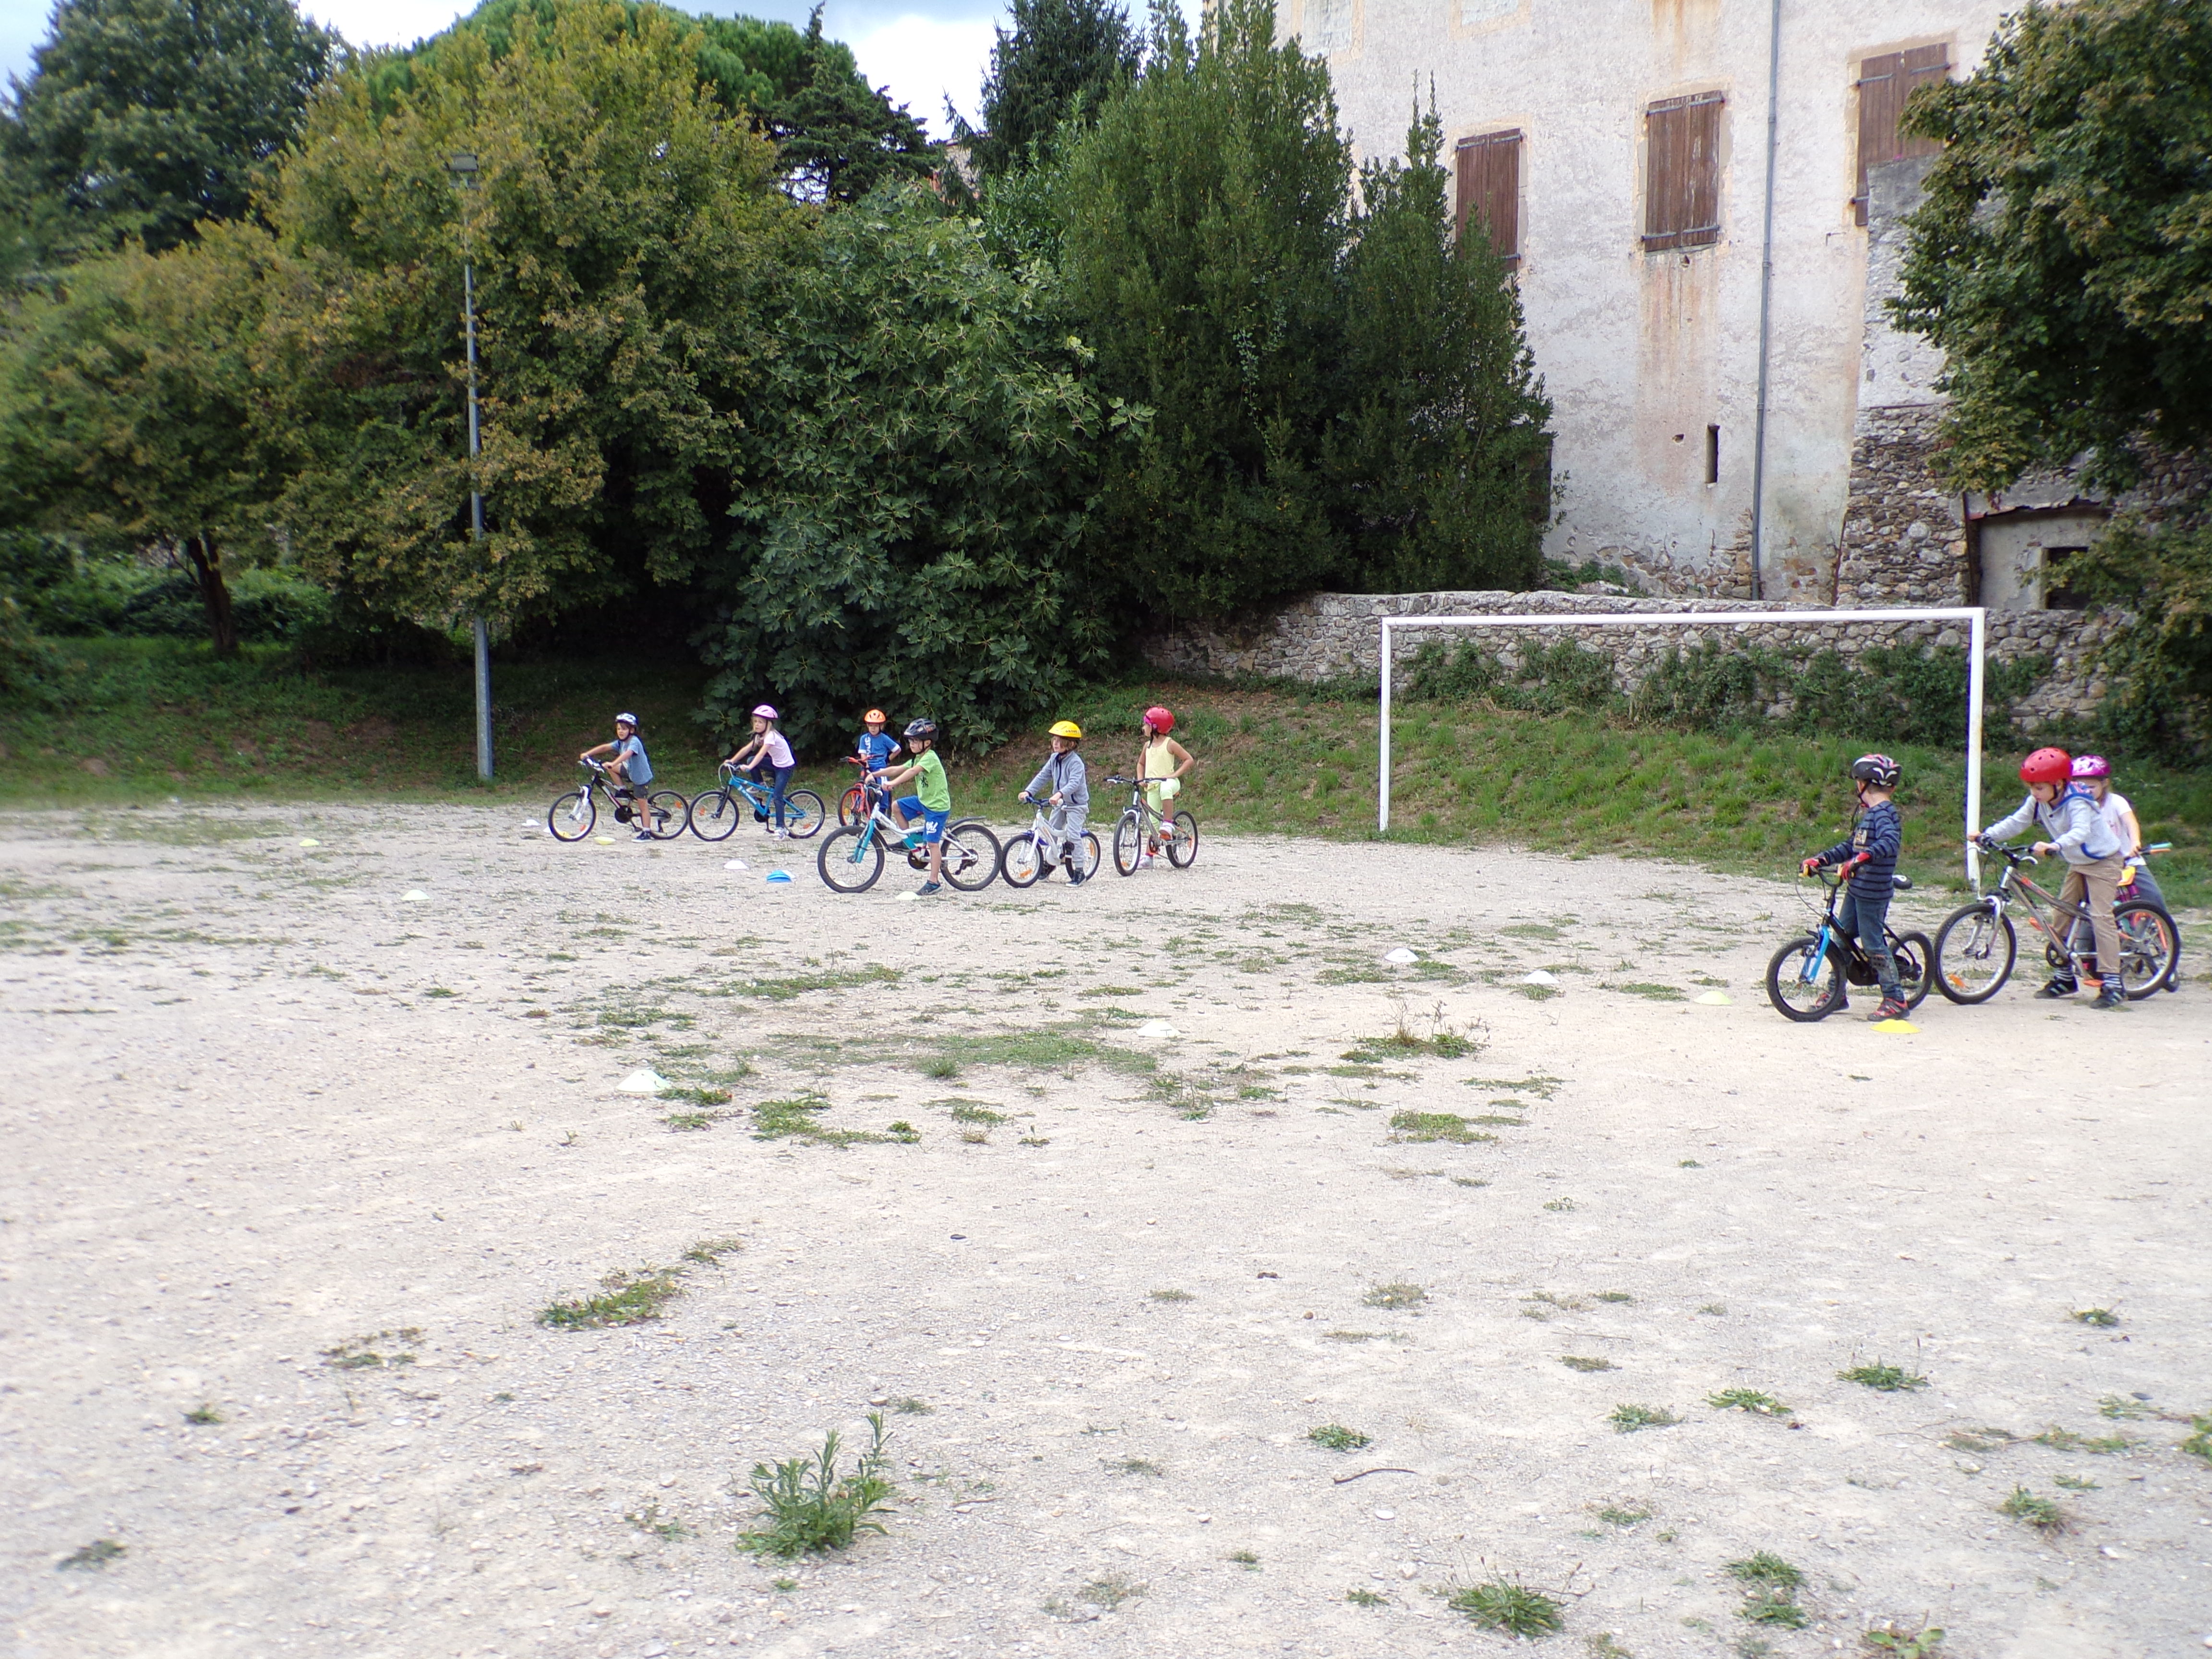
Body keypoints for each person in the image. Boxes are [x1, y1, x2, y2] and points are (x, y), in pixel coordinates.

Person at [1978, 746, 2127, 1009]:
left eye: (2039, 788)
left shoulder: (2078, 801)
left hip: (2104, 862)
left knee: (2100, 917)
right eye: (2032, 788)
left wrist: (2055, 845)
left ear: (2059, 784)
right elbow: (2017, 821)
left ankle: (2113, 982)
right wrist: (1987, 835)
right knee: (2061, 916)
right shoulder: (2039, 800)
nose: (2034, 794)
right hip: (2078, 863)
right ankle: (2065, 976)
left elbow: (2080, 831)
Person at [1799, 753, 1909, 1022]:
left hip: (1873, 893)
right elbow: (1851, 846)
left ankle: (1896, 999)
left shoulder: (1884, 814)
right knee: (1842, 941)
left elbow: (1889, 842)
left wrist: (1861, 858)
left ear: (1863, 784)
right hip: (1857, 889)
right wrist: (1821, 859)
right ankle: (1837, 994)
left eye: (1856, 782)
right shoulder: (1869, 816)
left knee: (1873, 944)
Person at [2070, 754, 2165, 912]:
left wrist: (2135, 842)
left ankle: (2166, 931)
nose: (2087, 791)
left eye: (2092, 787)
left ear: (2105, 783)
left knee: (2154, 898)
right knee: (2085, 906)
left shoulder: (2116, 801)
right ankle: (2065, 932)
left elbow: (2131, 822)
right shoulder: (2075, 807)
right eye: (2081, 787)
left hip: (2128, 860)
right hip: (2096, 865)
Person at [871, 717, 951, 895]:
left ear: (927, 743)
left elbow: (912, 773)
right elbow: (899, 768)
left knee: (932, 844)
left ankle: (934, 882)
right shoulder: (918, 758)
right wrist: (875, 774)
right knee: (897, 806)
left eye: (916, 741)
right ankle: (911, 842)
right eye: (911, 740)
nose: (912, 744)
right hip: (924, 801)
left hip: (937, 807)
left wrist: (892, 784)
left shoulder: (930, 758)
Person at [1020, 720, 1092, 884]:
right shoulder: (1054, 759)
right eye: (1054, 740)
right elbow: (1043, 776)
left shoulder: (1076, 762)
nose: (1056, 744)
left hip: (1076, 805)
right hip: (1059, 804)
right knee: (1051, 833)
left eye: (1061, 741)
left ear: (1072, 744)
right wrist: (1028, 791)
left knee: (1074, 835)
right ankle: (1050, 863)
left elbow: (1074, 783)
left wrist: (1060, 793)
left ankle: (1079, 871)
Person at [580, 712, 657, 842]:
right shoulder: (621, 742)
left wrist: (613, 763)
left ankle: (647, 833)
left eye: (624, 729)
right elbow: (606, 747)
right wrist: (588, 754)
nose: (621, 731)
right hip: (630, 771)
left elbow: (628, 754)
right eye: (619, 729)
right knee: (611, 769)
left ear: (632, 730)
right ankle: (621, 790)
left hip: (641, 777)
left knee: (642, 805)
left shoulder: (634, 742)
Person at [724, 705, 797, 838]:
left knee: (777, 797)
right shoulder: (760, 736)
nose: (757, 725)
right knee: (750, 758)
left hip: (785, 768)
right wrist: (732, 761)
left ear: (768, 724)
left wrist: (750, 767)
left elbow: (761, 755)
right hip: (776, 764)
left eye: (761, 722)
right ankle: (760, 784)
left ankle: (781, 828)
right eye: (755, 721)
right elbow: (747, 750)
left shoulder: (771, 736)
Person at [1137, 705, 1193, 867]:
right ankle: (1149, 856)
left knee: (1165, 788)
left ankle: (1168, 822)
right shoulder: (1147, 746)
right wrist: (1141, 779)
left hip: (1169, 783)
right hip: (1153, 787)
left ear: (1155, 727)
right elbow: (1141, 764)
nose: (1144, 728)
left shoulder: (1170, 744)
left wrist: (1175, 775)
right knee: (1152, 822)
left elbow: (1188, 759)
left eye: (1146, 724)